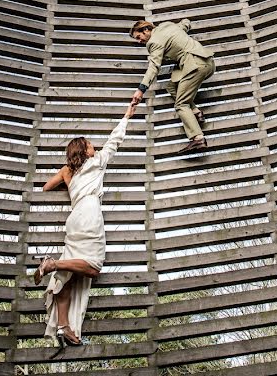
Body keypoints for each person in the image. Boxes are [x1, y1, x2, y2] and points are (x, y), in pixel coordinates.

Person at [34, 102, 136, 348]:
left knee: (66, 278)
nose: (95, 146)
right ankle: (52, 263)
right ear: (85, 150)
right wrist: (128, 113)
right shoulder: (97, 162)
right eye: (90, 144)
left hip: (74, 218)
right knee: (93, 267)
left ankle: (64, 326)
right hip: (90, 214)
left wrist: (67, 180)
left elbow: (46, 187)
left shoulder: (68, 170)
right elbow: (115, 139)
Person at [129, 18, 214, 153]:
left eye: (139, 37)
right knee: (171, 86)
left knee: (181, 104)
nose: (140, 41)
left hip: (195, 65)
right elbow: (185, 24)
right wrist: (186, 21)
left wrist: (141, 89)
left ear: (146, 30)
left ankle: (197, 138)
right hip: (208, 62)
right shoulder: (167, 26)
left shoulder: (153, 42)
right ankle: (196, 113)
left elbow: (154, 67)